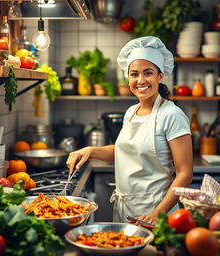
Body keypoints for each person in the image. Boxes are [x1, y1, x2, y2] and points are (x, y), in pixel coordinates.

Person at [66, 36, 193, 224]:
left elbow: (185, 173)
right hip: (124, 209)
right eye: (134, 74)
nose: (140, 80)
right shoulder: (131, 112)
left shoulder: (172, 115)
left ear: (160, 76)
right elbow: (125, 151)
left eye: (148, 73)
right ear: (128, 78)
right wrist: (90, 150)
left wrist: (158, 213)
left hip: (157, 212)